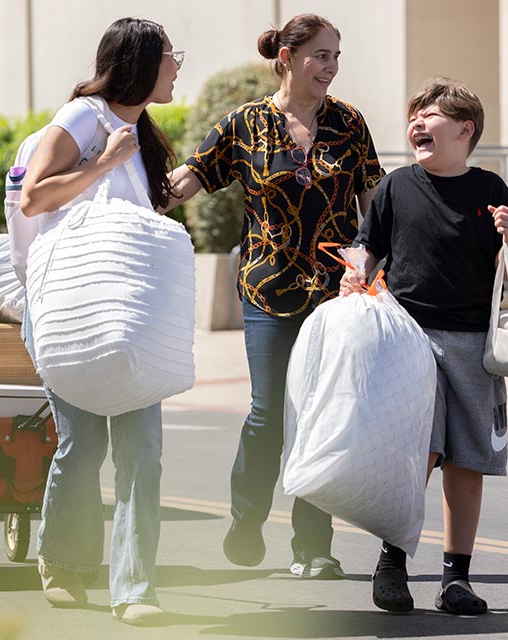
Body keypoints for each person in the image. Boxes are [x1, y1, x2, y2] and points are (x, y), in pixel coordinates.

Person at [162, 14, 383, 577]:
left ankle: (313, 547)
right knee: (268, 415)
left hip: (336, 295)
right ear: (286, 57)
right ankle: (246, 519)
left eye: (336, 56)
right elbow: (188, 180)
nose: (331, 67)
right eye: (320, 56)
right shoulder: (244, 124)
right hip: (267, 289)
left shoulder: (349, 123)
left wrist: (373, 255)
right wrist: (117, 190)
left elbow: (377, 201)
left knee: (320, 416)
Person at [18, 17, 181, 626]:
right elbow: (35, 196)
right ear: (139, 61)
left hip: (127, 311)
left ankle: (136, 587)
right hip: (70, 306)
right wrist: (105, 162)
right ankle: (61, 562)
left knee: (143, 451)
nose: (176, 66)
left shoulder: (142, 131)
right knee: (83, 445)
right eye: (170, 55)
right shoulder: (86, 117)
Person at [340, 77, 508, 614]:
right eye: (413, 114)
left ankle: (455, 580)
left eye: (431, 114)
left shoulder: (491, 190)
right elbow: (366, 247)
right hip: (409, 338)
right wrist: (354, 277)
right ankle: (392, 563)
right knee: (419, 454)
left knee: (466, 465)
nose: (417, 122)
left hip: (474, 345)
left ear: (465, 130)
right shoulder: (397, 185)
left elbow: (506, 274)